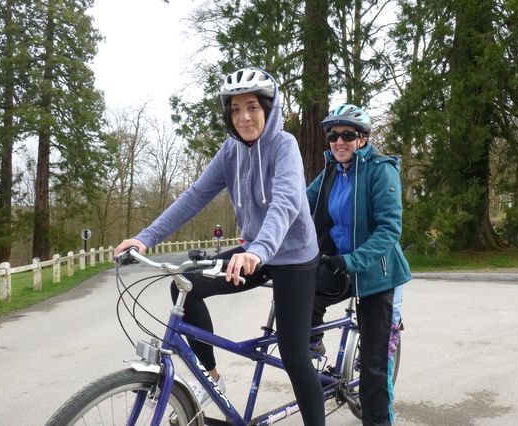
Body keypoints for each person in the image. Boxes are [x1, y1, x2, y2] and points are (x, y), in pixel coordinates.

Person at [114, 67, 325, 425]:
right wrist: (146, 237)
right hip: (253, 252)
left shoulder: (284, 145)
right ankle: (210, 375)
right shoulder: (230, 151)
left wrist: (258, 251)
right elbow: (196, 195)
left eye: (253, 107)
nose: (244, 117)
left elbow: (286, 203)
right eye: (236, 109)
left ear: (269, 110)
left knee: (293, 355)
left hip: (292, 258)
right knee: (186, 287)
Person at [306, 103, 411, 426]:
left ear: (362, 139)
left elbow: (389, 230)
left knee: (374, 371)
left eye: (347, 135)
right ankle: (311, 348)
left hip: (379, 274)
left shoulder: (381, 170)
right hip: (342, 266)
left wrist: (352, 260)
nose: (339, 142)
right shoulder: (331, 173)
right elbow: (297, 207)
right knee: (299, 294)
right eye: (333, 136)